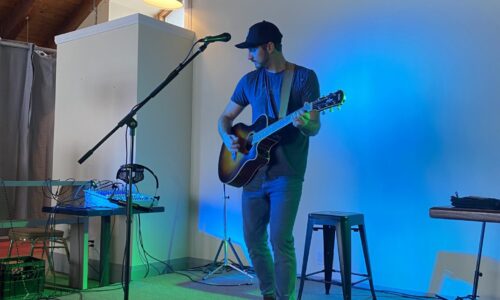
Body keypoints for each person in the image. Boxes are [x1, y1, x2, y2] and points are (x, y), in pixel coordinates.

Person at [218, 20, 321, 300]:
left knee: (280, 240)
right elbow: (225, 118)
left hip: (287, 173)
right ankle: (268, 294)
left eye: (252, 49)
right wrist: (229, 138)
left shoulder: (303, 78)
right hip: (251, 172)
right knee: (253, 240)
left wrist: (303, 124)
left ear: (269, 46)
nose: (248, 56)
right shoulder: (249, 81)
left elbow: (314, 126)